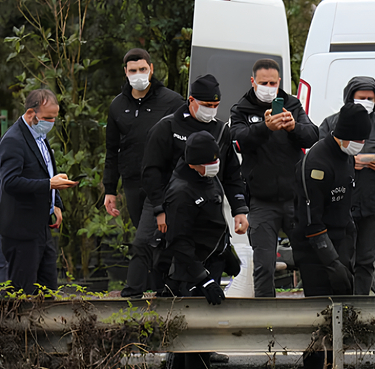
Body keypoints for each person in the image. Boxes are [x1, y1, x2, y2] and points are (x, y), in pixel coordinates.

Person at [159, 131, 244, 369]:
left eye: (217, 158)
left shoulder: (209, 178)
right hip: (191, 271)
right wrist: (202, 277)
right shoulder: (181, 191)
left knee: (193, 338)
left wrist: (227, 252)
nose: (216, 164)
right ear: (194, 162)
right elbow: (178, 242)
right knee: (197, 340)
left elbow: (216, 219)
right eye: (210, 161)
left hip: (213, 260)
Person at [140, 74, 249, 297]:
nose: (212, 110)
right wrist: (159, 209)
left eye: (216, 106)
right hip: (175, 205)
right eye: (207, 105)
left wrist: (239, 209)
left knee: (211, 256)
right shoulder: (167, 127)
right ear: (191, 100)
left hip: (209, 210)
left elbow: (232, 174)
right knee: (160, 249)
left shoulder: (220, 130)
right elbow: (151, 172)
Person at [290, 102, 371, 369]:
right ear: (342, 134)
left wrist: (346, 255)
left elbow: (345, 210)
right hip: (314, 247)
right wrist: (331, 262)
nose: (361, 146)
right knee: (318, 317)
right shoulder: (317, 163)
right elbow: (312, 223)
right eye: (358, 140)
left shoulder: (346, 157)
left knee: (341, 315)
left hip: (339, 239)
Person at [230, 58, 319, 297]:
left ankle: (314, 309)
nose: (269, 87)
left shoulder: (292, 104)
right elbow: (237, 141)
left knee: (307, 259)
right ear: (253, 82)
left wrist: (293, 128)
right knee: (264, 264)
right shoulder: (242, 109)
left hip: (295, 198)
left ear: (280, 81)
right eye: (263, 82)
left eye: (273, 82)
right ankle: (265, 315)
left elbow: (312, 135)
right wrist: (265, 127)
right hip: (261, 200)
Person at [102, 48, 184, 298]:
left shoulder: (171, 101)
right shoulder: (117, 105)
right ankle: (164, 289)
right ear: (125, 72)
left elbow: (183, 142)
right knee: (150, 237)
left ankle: (134, 291)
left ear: (151, 68)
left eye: (142, 69)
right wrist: (109, 189)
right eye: (133, 70)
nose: (138, 74)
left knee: (146, 238)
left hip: (163, 182)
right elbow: (111, 150)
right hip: (132, 181)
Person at [318, 76, 375, 295]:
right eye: (361, 98)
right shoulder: (332, 123)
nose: (366, 101)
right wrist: (349, 161)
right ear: (350, 98)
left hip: (372, 200)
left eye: (370, 98)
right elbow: (318, 153)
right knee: (341, 257)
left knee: (367, 259)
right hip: (340, 202)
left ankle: (361, 306)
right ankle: (341, 306)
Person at [0, 89, 77, 294]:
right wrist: (49, 185)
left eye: (54, 118)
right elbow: (10, 182)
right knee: (22, 293)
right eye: (47, 118)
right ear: (31, 113)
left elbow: (45, 171)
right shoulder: (14, 140)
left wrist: (55, 203)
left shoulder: (38, 136)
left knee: (48, 291)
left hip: (41, 228)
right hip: (21, 230)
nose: (51, 123)